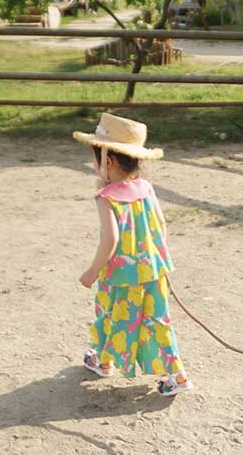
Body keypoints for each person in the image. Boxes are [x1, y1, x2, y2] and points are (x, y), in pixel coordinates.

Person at [74, 113, 192, 396]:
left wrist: (92, 272)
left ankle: (104, 361)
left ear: (109, 161)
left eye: (94, 159)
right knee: (157, 319)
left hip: (120, 276)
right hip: (152, 269)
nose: (93, 165)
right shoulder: (146, 187)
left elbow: (110, 240)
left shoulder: (106, 198)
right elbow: (161, 224)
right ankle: (177, 376)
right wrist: (155, 258)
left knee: (112, 315)